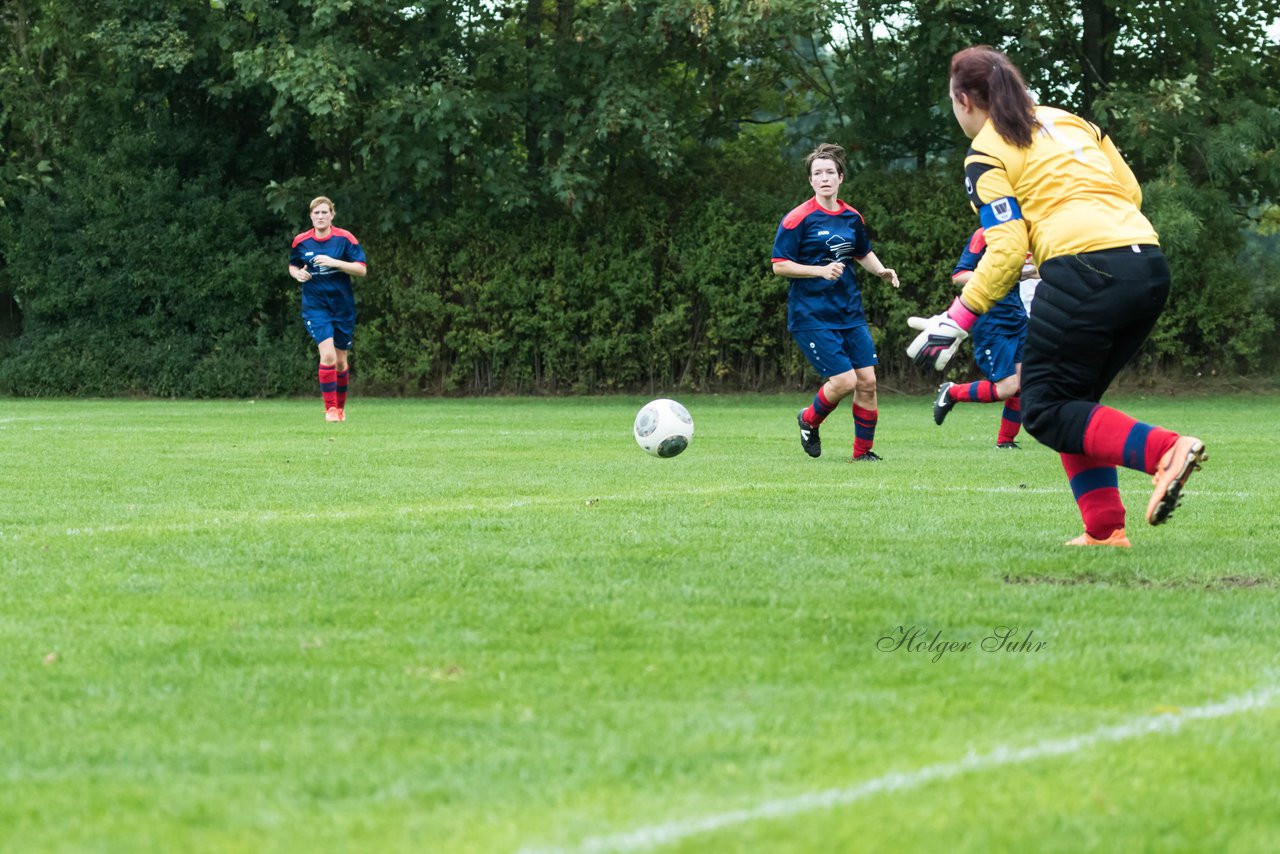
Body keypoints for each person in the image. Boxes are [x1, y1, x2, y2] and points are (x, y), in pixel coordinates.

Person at [906, 45, 1206, 547]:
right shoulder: (1073, 122)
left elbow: (1004, 251)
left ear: (963, 100)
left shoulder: (985, 150)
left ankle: (1165, 452)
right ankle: (1105, 529)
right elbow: (1130, 193)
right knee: (1073, 402)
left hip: (1085, 271)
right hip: (1148, 264)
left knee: (1043, 411)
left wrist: (958, 317)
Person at [771, 143, 900, 462]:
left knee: (868, 381)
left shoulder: (852, 216)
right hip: (811, 315)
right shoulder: (797, 219)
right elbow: (779, 264)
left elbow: (862, 251)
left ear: (840, 177)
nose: (824, 177)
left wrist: (881, 270)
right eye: (818, 173)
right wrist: (819, 270)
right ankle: (808, 420)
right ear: (811, 181)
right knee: (845, 381)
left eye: (830, 172)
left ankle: (863, 453)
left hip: (850, 313)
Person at [931, 227, 1038, 449]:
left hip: (1017, 316)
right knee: (1006, 387)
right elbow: (960, 275)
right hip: (991, 319)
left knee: (1022, 382)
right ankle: (952, 392)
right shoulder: (985, 233)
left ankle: (1006, 441)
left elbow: (1018, 274)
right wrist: (999, 275)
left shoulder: (1023, 234)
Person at [288, 196, 368, 422]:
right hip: (315, 307)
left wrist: (335, 263)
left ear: (332, 215)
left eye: (325, 212)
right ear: (311, 216)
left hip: (342, 307)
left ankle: (340, 409)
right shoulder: (301, 241)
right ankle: (330, 409)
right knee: (328, 355)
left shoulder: (345, 239)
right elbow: (293, 265)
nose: (320, 216)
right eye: (316, 213)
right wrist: (297, 274)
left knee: (341, 361)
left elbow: (361, 269)